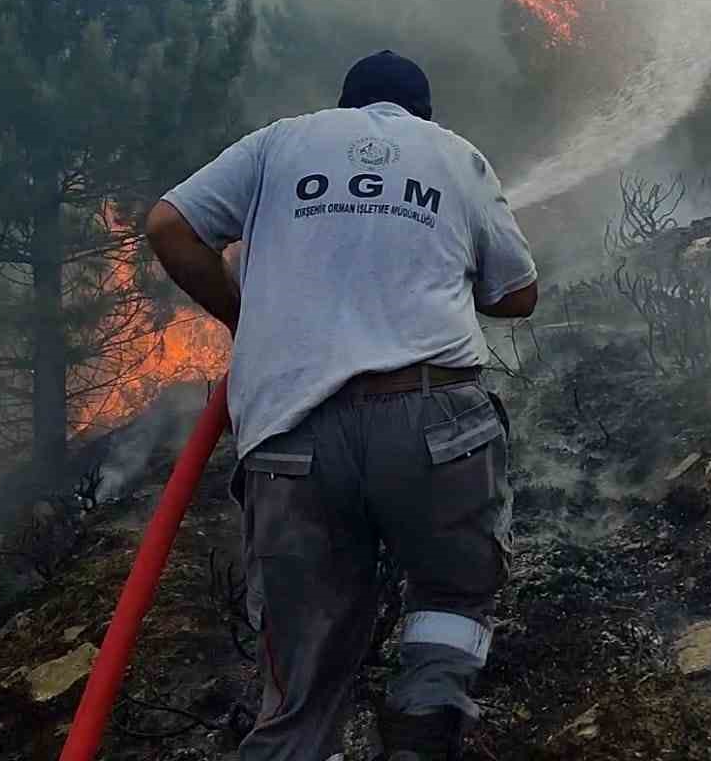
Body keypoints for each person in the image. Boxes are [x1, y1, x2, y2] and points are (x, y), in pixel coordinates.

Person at [146, 50, 538, 761]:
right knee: (452, 593)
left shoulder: (279, 141)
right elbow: (518, 295)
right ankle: (422, 727)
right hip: (429, 423)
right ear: (421, 115)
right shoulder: (452, 154)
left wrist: (243, 317)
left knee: (298, 686)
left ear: (343, 104)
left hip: (292, 436)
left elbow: (170, 226)